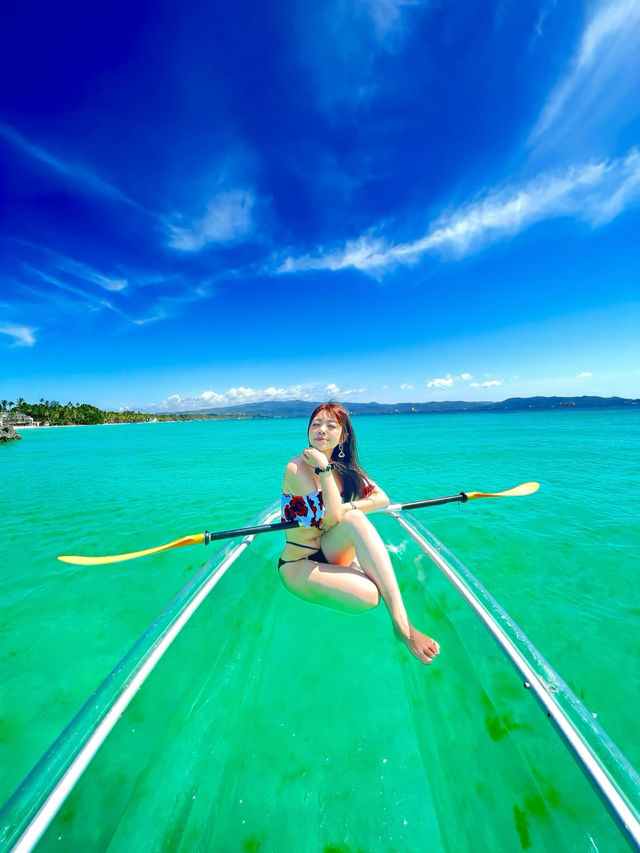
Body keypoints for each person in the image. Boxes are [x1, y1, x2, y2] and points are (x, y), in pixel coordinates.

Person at [279, 402, 440, 665]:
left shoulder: (344, 467)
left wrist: (348, 503)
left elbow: (381, 498)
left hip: (333, 549)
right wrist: (323, 469)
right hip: (300, 564)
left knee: (353, 516)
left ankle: (403, 627)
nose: (321, 430)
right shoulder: (296, 469)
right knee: (370, 596)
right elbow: (330, 517)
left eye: (331, 426)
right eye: (316, 424)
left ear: (343, 437)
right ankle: (398, 619)